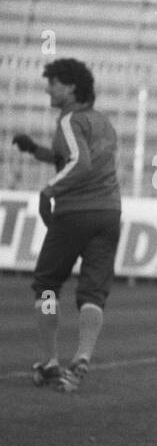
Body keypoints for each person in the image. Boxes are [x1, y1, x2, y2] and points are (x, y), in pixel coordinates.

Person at [12, 58, 122, 393]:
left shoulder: (69, 119)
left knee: (46, 284)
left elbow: (79, 163)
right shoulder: (102, 122)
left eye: (53, 82)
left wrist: (49, 189)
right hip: (109, 212)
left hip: (76, 212)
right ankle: (83, 357)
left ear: (71, 87)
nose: (48, 88)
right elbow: (77, 159)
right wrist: (37, 151)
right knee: (93, 291)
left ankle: (49, 363)